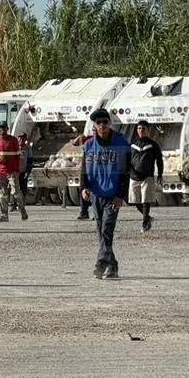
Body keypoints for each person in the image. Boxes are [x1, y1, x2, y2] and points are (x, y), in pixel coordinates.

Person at [79, 108, 129, 279]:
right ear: (94, 125)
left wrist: (120, 196)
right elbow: (84, 169)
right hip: (95, 194)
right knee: (101, 232)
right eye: (98, 123)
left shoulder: (121, 144)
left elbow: (125, 173)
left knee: (107, 229)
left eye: (105, 122)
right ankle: (112, 266)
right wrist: (83, 187)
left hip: (112, 195)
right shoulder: (88, 145)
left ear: (110, 123)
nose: (102, 125)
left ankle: (101, 264)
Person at [126, 120, 164, 233]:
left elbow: (159, 160)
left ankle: (144, 223)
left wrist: (160, 174)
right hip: (134, 177)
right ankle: (147, 217)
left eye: (143, 128)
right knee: (134, 201)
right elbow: (127, 160)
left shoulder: (153, 144)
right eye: (139, 128)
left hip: (147, 176)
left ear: (148, 130)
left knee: (146, 200)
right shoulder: (132, 144)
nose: (141, 130)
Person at [0, 121, 28, 222]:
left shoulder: (13, 140)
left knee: (16, 192)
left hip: (12, 171)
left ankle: (22, 210)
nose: (2, 129)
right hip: (0, 171)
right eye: (0, 128)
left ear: (7, 128)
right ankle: (4, 215)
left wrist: (17, 170)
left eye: (3, 127)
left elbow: (17, 156)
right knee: (2, 193)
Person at [71, 132, 92, 220]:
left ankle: (96, 212)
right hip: (86, 161)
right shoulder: (87, 138)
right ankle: (83, 212)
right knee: (83, 187)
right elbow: (74, 143)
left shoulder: (102, 138)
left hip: (95, 162)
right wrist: (81, 137)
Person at [13, 133, 33, 213]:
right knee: (14, 189)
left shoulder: (28, 149)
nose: (21, 140)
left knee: (23, 189)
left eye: (23, 138)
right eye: (20, 138)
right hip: (15, 171)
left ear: (25, 139)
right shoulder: (14, 148)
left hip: (23, 171)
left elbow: (30, 161)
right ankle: (14, 204)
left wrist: (27, 172)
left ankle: (22, 206)